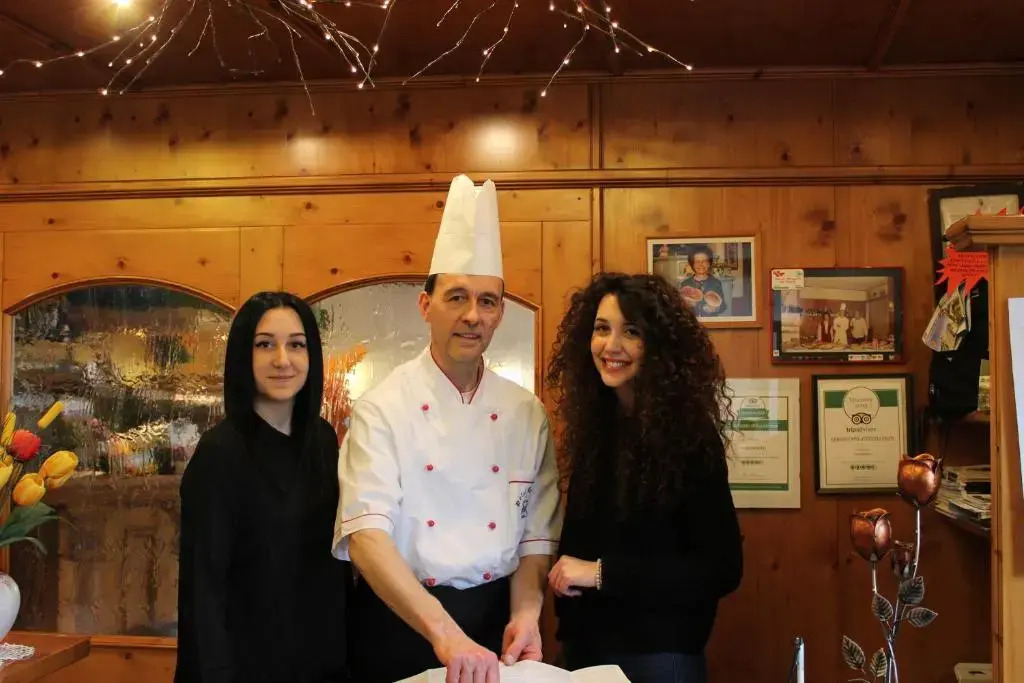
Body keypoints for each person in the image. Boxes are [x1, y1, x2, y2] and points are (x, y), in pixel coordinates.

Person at [333, 174, 563, 683]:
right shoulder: (381, 408)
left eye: (487, 301)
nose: (472, 316)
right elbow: (366, 538)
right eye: (456, 297)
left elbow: (536, 537)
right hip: (399, 625)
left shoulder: (526, 413)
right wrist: (445, 634)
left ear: (500, 313)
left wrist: (526, 615)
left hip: (495, 624)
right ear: (426, 305)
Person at [545, 273, 743, 683]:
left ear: (658, 346)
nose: (611, 346)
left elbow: (721, 568)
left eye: (631, 332)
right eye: (602, 329)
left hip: (659, 658)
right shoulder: (596, 427)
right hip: (584, 652)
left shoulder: (689, 436)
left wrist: (601, 573)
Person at [176, 291, 349, 683]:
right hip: (244, 667)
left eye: (297, 345)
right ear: (243, 355)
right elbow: (203, 589)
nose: (282, 360)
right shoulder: (220, 454)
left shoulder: (323, 440)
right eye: (265, 344)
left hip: (322, 664)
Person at [678, 246, 725, 317]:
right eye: (697, 262)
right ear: (692, 264)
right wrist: (686, 305)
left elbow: (723, 306)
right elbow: (680, 308)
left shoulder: (716, 283)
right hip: (692, 321)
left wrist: (715, 308)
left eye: (704, 261)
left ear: (709, 263)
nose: (700, 264)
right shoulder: (685, 283)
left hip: (710, 321)